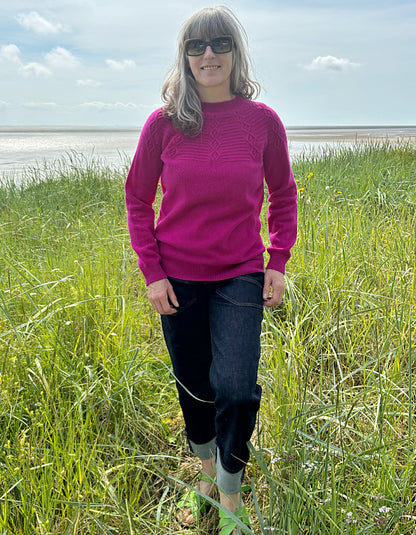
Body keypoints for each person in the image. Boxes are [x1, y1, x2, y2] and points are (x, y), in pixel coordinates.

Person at [125, 5, 297, 533]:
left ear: (235, 52)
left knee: (238, 387)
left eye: (220, 43)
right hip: (176, 278)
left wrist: (278, 261)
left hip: (240, 274)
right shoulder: (165, 123)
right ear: (185, 56)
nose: (208, 54)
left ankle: (230, 495)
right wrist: (152, 273)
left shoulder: (262, 122)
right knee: (195, 384)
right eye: (197, 46)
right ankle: (204, 474)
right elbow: (137, 199)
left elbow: (284, 195)